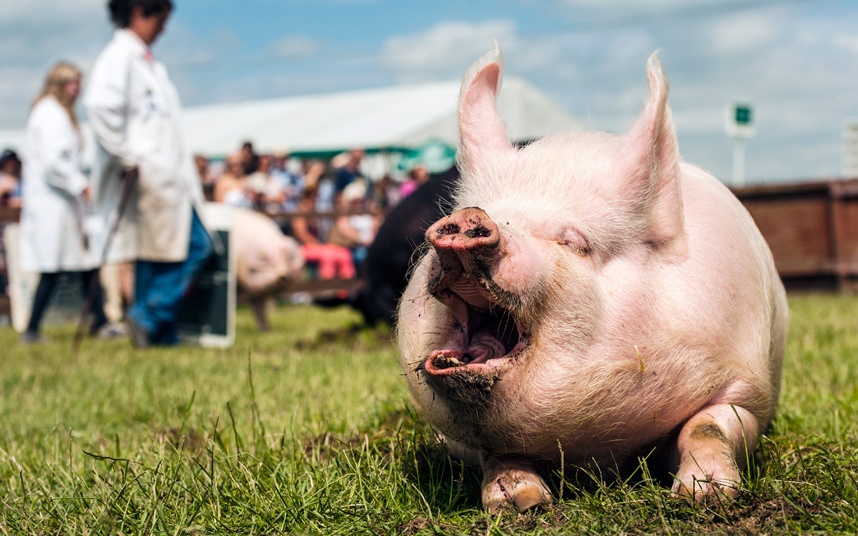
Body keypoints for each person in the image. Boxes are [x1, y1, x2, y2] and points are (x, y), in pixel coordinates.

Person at [84, 0, 214, 348]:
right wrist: (130, 155)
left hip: (162, 175)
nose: (163, 28)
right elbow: (99, 106)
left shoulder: (146, 63)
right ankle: (148, 316)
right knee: (196, 246)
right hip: (151, 174)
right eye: (160, 19)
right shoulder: (119, 58)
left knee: (156, 253)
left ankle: (159, 333)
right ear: (140, 11)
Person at [18, 63, 124, 343]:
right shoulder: (50, 114)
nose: (77, 90)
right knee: (53, 266)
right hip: (54, 204)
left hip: (64, 203)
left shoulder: (56, 113)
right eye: (73, 84)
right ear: (60, 84)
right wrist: (81, 185)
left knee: (85, 260)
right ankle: (31, 329)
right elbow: (55, 163)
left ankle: (100, 321)